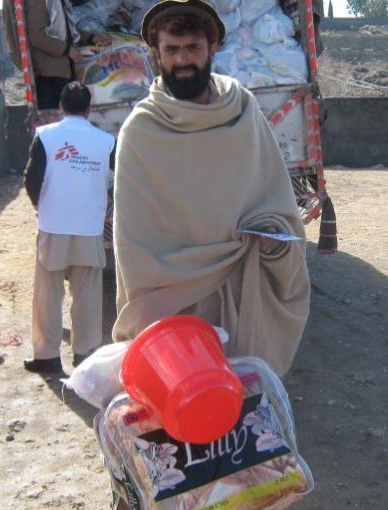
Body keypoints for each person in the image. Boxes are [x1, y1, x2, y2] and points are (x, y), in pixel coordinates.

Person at [112, 0, 311, 378]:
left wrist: (272, 241)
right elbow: (132, 242)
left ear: (212, 48)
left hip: (239, 293)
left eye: (192, 48)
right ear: (156, 54)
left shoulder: (243, 112)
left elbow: (275, 200)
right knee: (182, 409)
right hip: (173, 304)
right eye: (172, 49)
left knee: (240, 406)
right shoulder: (141, 133)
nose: (182, 59)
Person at [23, 82, 115, 373]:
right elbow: (122, 179)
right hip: (89, 228)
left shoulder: (46, 136)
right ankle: (85, 355)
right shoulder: (106, 141)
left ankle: (47, 356)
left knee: (48, 294)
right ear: (89, 109)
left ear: (61, 107)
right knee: (87, 295)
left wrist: (41, 206)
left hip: (53, 226)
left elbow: (31, 179)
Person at [3, 0, 95, 109]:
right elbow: (38, 37)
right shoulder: (37, 2)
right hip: (48, 76)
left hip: (60, 71)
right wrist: (67, 50)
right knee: (55, 115)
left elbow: (66, 30)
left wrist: (91, 38)